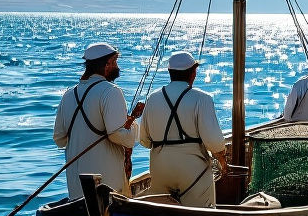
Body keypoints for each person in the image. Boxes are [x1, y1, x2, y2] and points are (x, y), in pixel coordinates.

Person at [53, 42, 143, 199]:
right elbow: (117, 135)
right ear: (107, 64)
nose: (117, 66)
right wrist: (135, 129)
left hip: (77, 187)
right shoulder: (111, 91)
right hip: (106, 184)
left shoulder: (68, 95)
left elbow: (59, 139)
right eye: (115, 61)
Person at [139, 51, 228, 207]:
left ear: (170, 72)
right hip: (193, 172)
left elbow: (144, 141)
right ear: (193, 73)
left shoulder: (153, 98)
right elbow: (214, 143)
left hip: (160, 169)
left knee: (162, 215)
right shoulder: (202, 98)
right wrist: (222, 160)